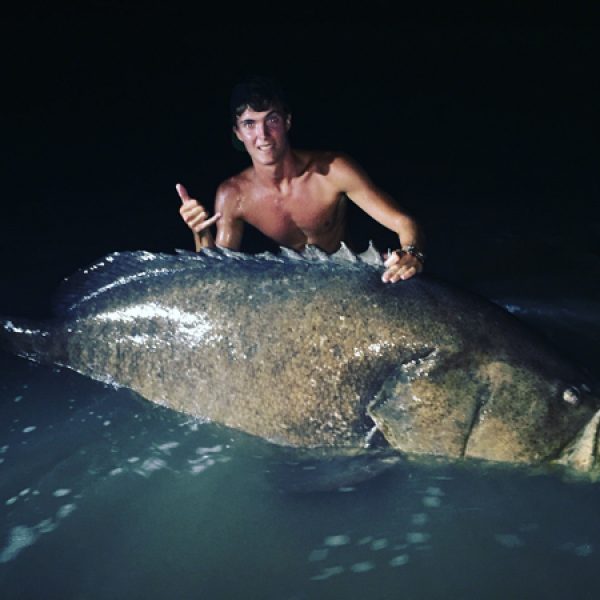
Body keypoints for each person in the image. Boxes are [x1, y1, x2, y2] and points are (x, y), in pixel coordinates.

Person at [177, 76, 425, 283]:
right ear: (238, 133)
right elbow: (217, 274)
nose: (262, 135)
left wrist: (412, 253)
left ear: (287, 121)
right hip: (292, 287)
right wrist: (200, 233)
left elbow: (404, 223)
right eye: (250, 124)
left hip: (348, 278)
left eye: (271, 120)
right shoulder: (233, 195)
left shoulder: (332, 171)